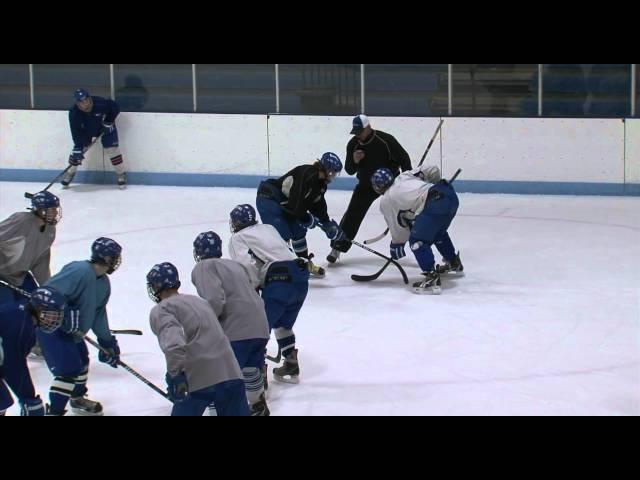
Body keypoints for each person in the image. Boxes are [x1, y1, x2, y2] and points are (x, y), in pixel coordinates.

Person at [147, 262, 249, 417]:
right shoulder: (200, 302)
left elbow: (174, 346)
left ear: (155, 286)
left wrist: (176, 376)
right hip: (230, 371)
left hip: (199, 377)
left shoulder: (162, 309)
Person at [38, 237, 124, 416]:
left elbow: (98, 314)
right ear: (107, 259)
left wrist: (106, 341)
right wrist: (62, 311)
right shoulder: (79, 270)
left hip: (73, 333)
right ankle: (54, 412)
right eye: (115, 258)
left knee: (82, 361)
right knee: (68, 370)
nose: (117, 261)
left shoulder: (103, 283)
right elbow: (46, 293)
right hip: (52, 329)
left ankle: (77, 399)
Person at [191, 231, 271, 416]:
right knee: (251, 368)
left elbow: (214, 300)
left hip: (236, 330)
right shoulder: (236, 266)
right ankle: (257, 405)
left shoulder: (204, 267)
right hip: (260, 326)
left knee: (219, 377)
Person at [228, 204, 309, 384]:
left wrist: (253, 287)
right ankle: (290, 362)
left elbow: (245, 265)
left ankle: (258, 374)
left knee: (258, 329)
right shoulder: (268, 227)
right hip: (301, 277)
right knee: (282, 324)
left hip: (279, 280)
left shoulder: (238, 237)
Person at [327, 114, 412, 264]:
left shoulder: (386, 140)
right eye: (355, 132)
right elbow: (350, 169)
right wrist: (354, 160)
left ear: (368, 128)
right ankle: (337, 247)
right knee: (352, 214)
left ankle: (420, 244)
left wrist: (407, 181)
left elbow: (404, 158)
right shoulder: (353, 145)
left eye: (360, 131)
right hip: (366, 185)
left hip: (389, 184)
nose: (358, 135)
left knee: (407, 212)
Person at [373, 165, 463, 295]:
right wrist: (436, 184)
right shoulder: (404, 176)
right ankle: (453, 262)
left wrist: (397, 244)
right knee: (437, 233)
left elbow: (399, 228)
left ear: (377, 187)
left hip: (434, 205)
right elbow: (433, 169)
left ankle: (431, 277)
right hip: (449, 194)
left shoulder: (386, 201)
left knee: (417, 240)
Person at [256, 152, 346, 278]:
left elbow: (317, 204)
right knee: (281, 234)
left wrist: (327, 223)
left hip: (284, 204)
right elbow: (296, 203)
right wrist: (307, 218)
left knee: (298, 231)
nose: (333, 176)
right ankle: (274, 267)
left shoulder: (320, 184)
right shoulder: (308, 174)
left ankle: (303, 264)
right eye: (332, 172)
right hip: (269, 199)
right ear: (325, 169)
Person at [0, 191, 62, 356]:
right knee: (9, 310)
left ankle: (33, 341)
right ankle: (7, 347)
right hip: (1, 275)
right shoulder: (21, 220)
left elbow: (41, 261)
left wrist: (48, 288)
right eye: (50, 209)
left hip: (20, 275)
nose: (55, 213)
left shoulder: (50, 230)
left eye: (55, 209)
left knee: (36, 305)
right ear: (39, 210)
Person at [0, 286, 69, 416]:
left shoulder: (24, 318)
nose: (55, 320)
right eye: (52, 315)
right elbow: (13, 365)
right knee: (2, 401)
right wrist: (29, 398)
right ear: (39, 309)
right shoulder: (19, 323)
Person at [63, 88, 127, 189]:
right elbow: (76, 131)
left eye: (86, 100)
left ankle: (121, 174)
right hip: (88, 130)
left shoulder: (100, 103)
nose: (85, 104)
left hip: (105, 127)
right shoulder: (74, 113)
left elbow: (115, 107)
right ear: (77, 103)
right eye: (82, 102)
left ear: (89, 98)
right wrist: (79, 146)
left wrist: (109, 121)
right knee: (77, 152)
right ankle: (69, 173)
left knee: (112, 149)